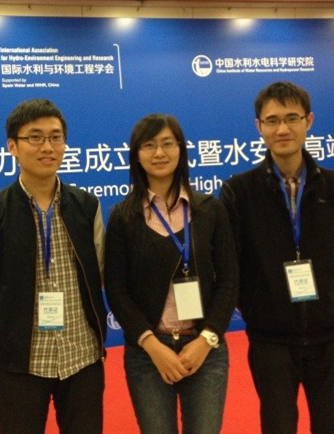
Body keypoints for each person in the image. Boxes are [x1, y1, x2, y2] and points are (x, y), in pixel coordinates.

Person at [0, 99, 107, 434]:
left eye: (56, 137)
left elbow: (99, 274)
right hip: (22, 365)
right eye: (35, 137)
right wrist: (7, 338)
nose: (48, 147)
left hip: (82, 358)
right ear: (12, 146)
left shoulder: (87, 206)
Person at [219, 81, 334, 434]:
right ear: (259, 127)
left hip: (330, 337)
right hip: (271, 341)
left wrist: (330, 298)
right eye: (272, 120)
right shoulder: (238, 191)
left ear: (308, 121)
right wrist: (258, 305)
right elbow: (232, 264)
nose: (282, 129)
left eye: (292, 118)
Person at [104, 113, 238, 434]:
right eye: (149, 145)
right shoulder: (123, 217)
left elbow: (229, 280)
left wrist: (206, 340)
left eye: (167, 143)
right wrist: (152, 346)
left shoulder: (210, 209)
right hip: (148, 355)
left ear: (181, 149)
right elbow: (117, 289)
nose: (159, 153)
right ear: (136, 155)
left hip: (204, 350)